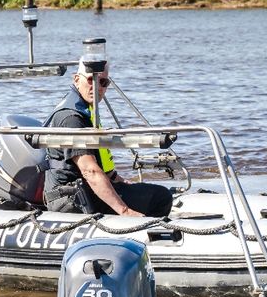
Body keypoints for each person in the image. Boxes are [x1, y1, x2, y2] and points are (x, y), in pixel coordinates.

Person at [44, 42, 172, 219]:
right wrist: (124, 211)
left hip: (82, 190)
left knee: (148, 192)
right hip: (71, 198)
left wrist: (119, 182)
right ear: (76, 79)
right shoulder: (72, 118)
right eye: (91, 80)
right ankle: (138, 236)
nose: (97, 87)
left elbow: (100, 163)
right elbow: (89, 170)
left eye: (103, 82)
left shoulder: (85, 109)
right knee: (160, 198)